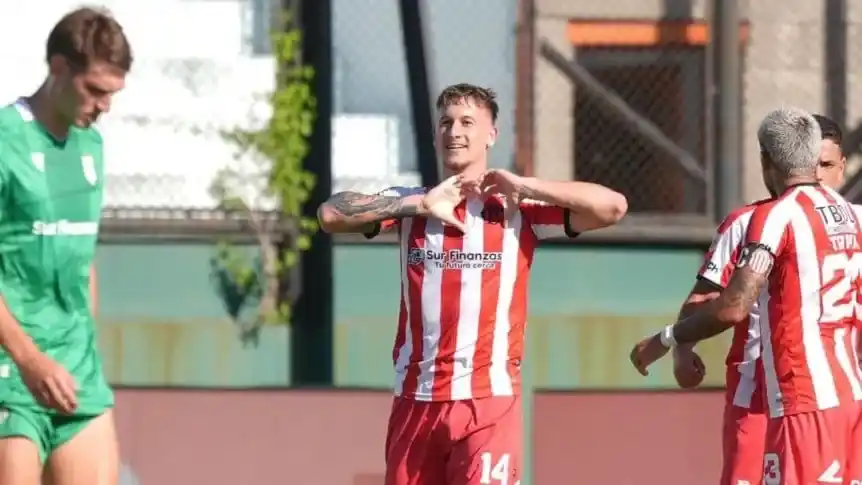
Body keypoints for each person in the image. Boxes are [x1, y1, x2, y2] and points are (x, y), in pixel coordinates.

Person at [317, 83, 627, 485]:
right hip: (417, 400)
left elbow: (613, 206)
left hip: (487, 401)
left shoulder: (518, 207)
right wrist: (418, 204)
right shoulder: (412, 203)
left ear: (491, 135)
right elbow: (331, 214)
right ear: (435, 134)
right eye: (445, 122)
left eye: (467, 122)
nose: (454, 132)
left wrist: (527, 185)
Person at [630, 107, 862, 485]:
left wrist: (668, 338)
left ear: (765, 160)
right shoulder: (854, 216)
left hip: (802, 395)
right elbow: (706, 297)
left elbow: (733, 306)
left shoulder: (772, 218)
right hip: (836, 394)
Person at [0, 7, 131, 485]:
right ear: (58, 68)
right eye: (95, 90)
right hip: (10, 374)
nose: (104, 106)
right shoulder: (4, 140)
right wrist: (30, 360)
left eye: (112, 94)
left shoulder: (90, 148)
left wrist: (84, 351)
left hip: (77, 373)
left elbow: (83, 258)